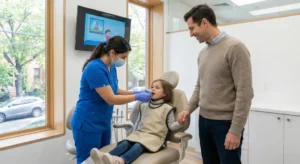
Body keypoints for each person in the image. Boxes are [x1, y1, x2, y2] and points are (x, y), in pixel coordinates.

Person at [177, 4, 254, 164]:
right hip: (204, 121)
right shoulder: (203, 53)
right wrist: (188, 109)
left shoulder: (235, 47)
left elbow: (245, 92)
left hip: (225, 124)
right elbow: (200, 86)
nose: (191, 34)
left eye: (192, 29)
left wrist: (235, 130)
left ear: (204, 23)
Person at [70, 36, 152, 164]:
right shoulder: (95, 68)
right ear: (112, 53)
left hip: (103, 122)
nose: (124, 61)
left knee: (103, 159)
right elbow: (111, 98)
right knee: (88, 161)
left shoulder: (111, 67)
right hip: (87, 123)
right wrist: (137, 97)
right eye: (123, 57)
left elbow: (115, 90)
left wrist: (136, 91)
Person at [90, 79, 184, 164]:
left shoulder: (167, 108)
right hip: (139, 134)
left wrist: (179, 123)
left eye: (157, 87)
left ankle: (121, 160)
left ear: (165, 94)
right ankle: (105, 157)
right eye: (152, 87)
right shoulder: (143, 105)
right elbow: (138, 123)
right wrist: (132, 135)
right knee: (126, 143)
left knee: (138, 145)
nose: (153, 89)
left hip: (154, 138)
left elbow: (172, 126)